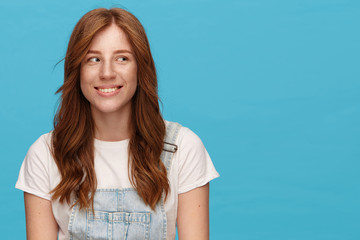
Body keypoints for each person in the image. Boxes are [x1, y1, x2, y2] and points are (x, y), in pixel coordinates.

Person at [16, 8, 219, 240]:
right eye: (94, 59)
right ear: (77, 70)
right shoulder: (46, 154)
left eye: (122, 58)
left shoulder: (183, 147)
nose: (107, 73)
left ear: (141, 68)